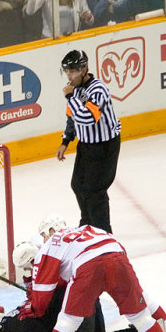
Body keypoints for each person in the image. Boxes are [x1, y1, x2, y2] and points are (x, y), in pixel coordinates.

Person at [21, 220, 166, 332]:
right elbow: (118, 247)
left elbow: (42, 292)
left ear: (50, 230)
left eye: (43, 234)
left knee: (69, 319)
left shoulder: (49, 245)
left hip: (87, 268)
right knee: (138, 312)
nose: (43, 238)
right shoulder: (86, 228)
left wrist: (34, 308)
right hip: (117, 258)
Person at [56, 49, 121, 233]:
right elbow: (72, 117)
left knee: (95, 191)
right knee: (77, 185)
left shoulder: (98, 89)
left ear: (84, 69)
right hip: (86, 145)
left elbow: (87, 117)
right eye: (67, 71)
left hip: (104, 146)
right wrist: (65, 141)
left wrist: (70, 97)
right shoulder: (74, 89)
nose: (69, 76)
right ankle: (87, 223)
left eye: (73, 71)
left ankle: (103, 233)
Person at [23, 0, 93, 38]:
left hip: (71, 40)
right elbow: (29, 11)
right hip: (50, 40)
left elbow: (91, 22)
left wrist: (88, 17)